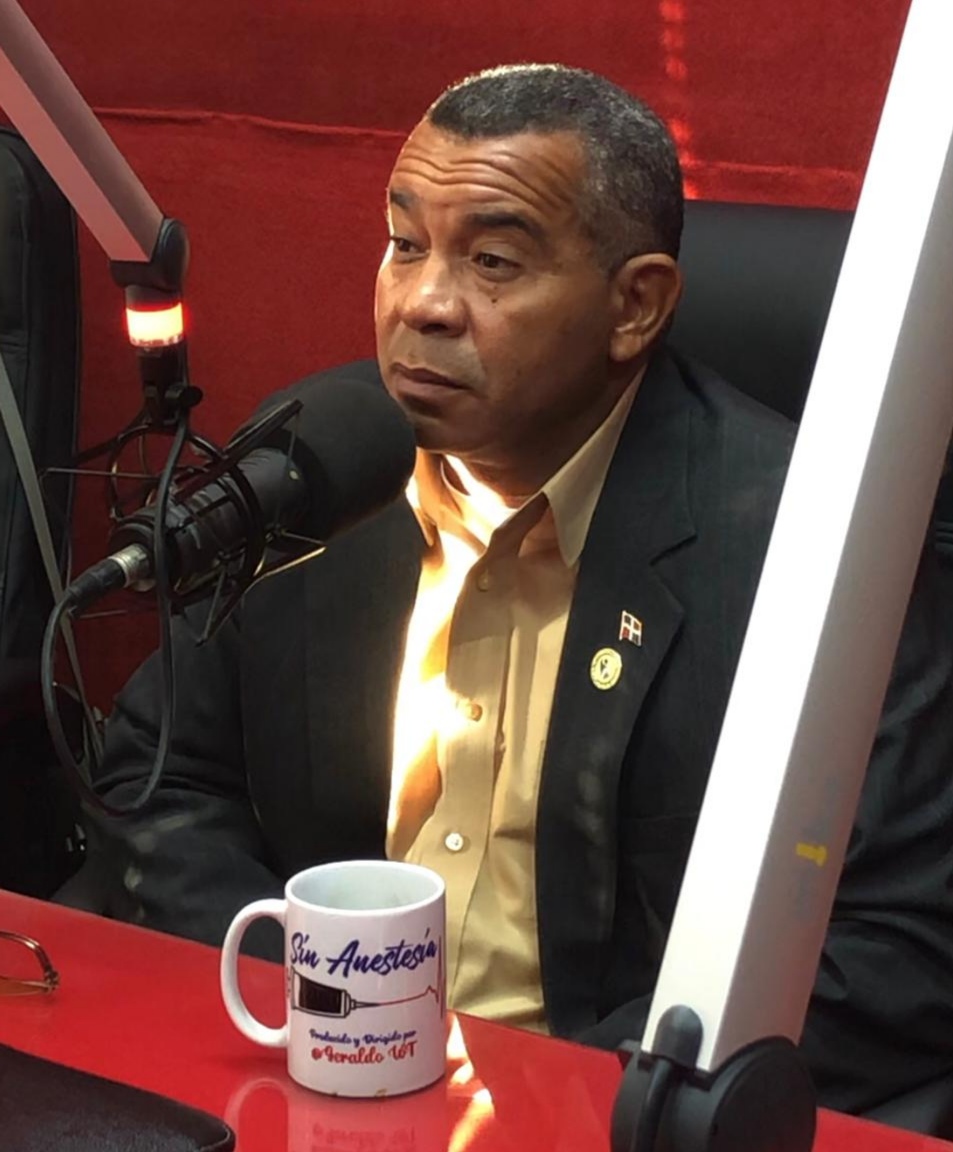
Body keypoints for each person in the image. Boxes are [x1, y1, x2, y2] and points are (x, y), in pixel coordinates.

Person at [82, 64, 953, 1115]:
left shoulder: (800, 549)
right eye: (404, 243)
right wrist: (309, 1002)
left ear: (634, 306)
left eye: (491, 261)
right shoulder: (313, 472)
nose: (422, 303)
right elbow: (158, 772)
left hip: (600, 1104)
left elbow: (895, 938)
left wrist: (564, 1096)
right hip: (311, 1087)